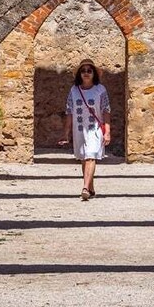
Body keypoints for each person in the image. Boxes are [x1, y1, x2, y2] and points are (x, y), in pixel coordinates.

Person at [58, 59, 111, 201]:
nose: (86, 73)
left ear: (94, 73)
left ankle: (85, 188)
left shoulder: (100, 90)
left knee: (90, 156)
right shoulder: (74, 90)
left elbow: (106, 111)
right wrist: (66, 133)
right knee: (83, 158)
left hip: (95, 129)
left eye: (89, 70)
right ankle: (91, 187)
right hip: (79, 129)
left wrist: (107, 132)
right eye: (83, 71)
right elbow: (69, 111)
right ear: (79, 74)